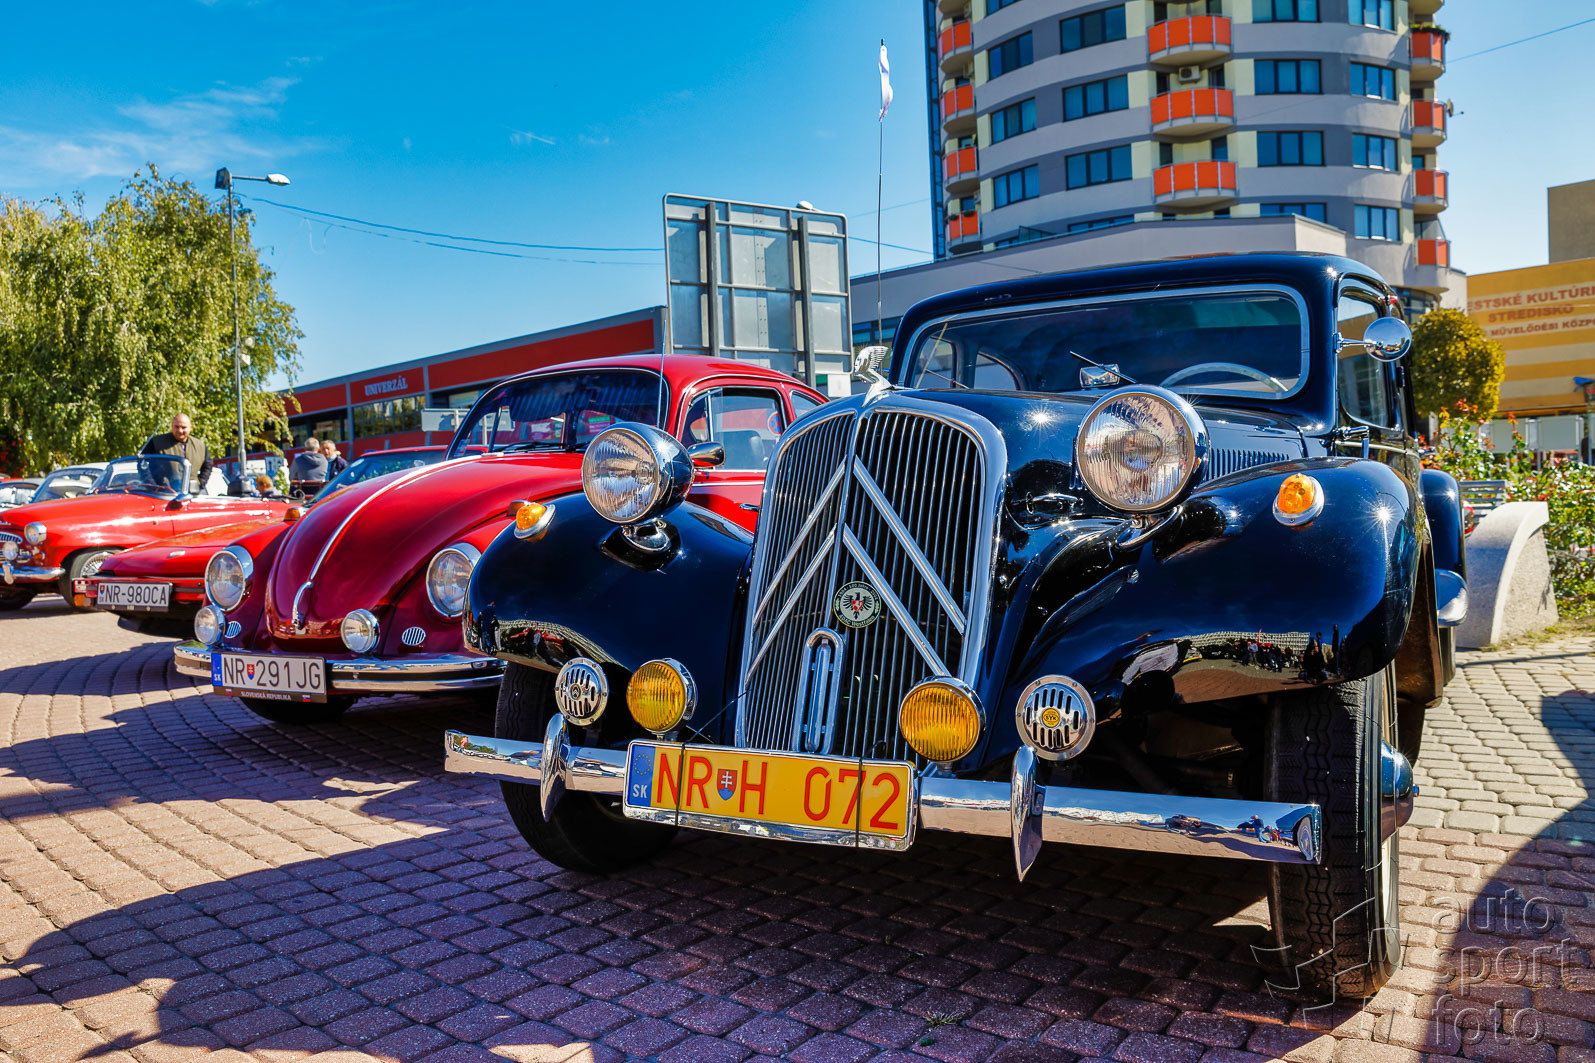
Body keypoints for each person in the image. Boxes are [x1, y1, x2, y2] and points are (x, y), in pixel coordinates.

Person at [141, 413, 212, 493]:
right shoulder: (156, 443)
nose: (180, 430)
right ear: (172, 426)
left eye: (183, 427)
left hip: (192, 494)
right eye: (176, 427)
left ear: (190, 428)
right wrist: (153, 486)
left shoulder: (200, 446)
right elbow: (142, 464)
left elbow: (208, 465)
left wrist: (201, 483)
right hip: (164, 494)